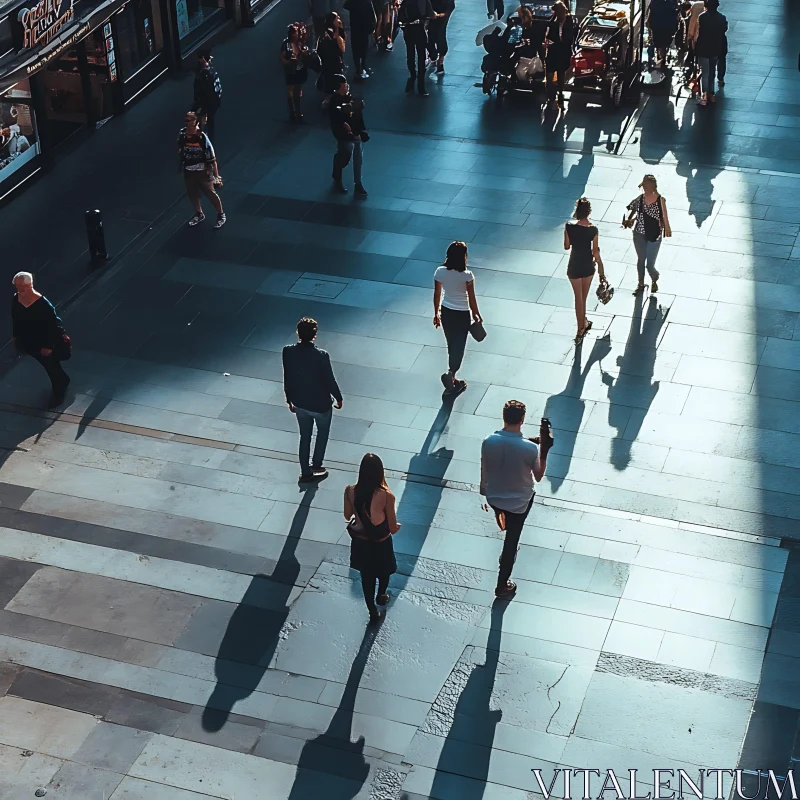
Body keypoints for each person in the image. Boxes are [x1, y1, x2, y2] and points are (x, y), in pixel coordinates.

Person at [480, 401, 552, 598]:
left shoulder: (488, 441)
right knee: (512, 540)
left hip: (494, 495)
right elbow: (538, 475)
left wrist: (483, 487)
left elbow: (486, 463)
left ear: (504, 417)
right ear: (522, 419)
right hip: (519, 502)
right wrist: (543, 451)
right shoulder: (530, 449)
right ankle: (502, 584)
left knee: (504, 516)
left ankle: (502, 518)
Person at [282, 317, 343, 482]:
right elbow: (329, 380)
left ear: (298, 333)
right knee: (322, 433)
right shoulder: (321, 355)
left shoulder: (288, 351)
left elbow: (287, 376)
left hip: (300, 402)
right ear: (314, 335)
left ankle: (305, 472)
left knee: (305, 436)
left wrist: (289, 399)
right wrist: (338, 397)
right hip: (320, 404)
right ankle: (316, 464)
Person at [344, 453, 401, 622]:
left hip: (361, 542)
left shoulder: (350, 491)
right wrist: (396, 527)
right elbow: (392, 527)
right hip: (380, 542)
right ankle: (381, 595)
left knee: (366, 576)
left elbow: (347, 515)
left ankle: (371, 610)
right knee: (384, 571)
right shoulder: (386, 495)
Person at [11, 272, 70, 408]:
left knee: (50, 365)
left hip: (44, 342)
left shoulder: (43, 305)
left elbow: (53, 327)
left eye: (22, 287)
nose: (19, 290)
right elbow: (15, 318)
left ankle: (59, 388)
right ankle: (62, 380)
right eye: (17, 286)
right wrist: (16, 335)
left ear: (30, 285)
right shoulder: (17, 298)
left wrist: (48, 346)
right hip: (29, 341)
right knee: (47, 364)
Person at [433, 241, 482, 396]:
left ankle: (452, 378)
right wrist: (476, 313)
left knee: (451, 343)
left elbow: (437, 294)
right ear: (464, 257)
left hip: (446, 312)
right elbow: (471, 297)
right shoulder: (467, 275)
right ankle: (451, 374)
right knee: (459, 346)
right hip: (462, 314)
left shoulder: (440, 272)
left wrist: (436, 313)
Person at [564, 197, 605, 343]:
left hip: (574, 265)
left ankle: (581, 327)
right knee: (584, 297)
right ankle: (583, 325)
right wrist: (601, 268)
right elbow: (595, 252)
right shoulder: (593, 230)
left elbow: (567, 246)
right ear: (588, 212)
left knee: (578, 298)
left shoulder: (569, 227)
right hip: (587, 265)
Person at [623, 174, 672, 295]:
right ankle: (640, 284)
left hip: (654, 235)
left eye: (647, 187)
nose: (645, 189)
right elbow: (632, 209)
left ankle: (654, 277)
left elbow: (665, 215)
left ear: (653, 187)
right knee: (641, 260)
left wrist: (667, 228)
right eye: (644, 186)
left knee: (650, 265)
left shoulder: (660, 200)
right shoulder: (640, 199)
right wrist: (629, 220)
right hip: (639, 233)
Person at [178, 111, 225, 229]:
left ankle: (221, 215)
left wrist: (216, 176)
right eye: (186, 120)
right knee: (192, 192)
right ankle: (199, 213)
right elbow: (180, 148)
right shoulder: (182, 134)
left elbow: (212, 157)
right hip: (188, 170)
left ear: (195, 122)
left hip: (203, 171)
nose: (186, 122)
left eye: (189, 120)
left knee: (210, 193)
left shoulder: (202, 137)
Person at [329, 75, 369, 196]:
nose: (346, 86)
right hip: (343, 134)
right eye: (343, 84)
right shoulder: (334, 101)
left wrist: (360, 131)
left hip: (355, 133)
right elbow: (336, 120)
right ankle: (337, 175)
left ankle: (358, 183)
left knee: (358, 157)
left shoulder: (352, 99)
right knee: (345, 154)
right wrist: (346, 127)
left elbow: (358, 116)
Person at [693, 0, 727, 106]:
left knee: (705, 73)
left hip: (703, 48)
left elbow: (699, 33)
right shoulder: (722, 18)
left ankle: (704, 97)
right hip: (716, 48)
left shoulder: (702, 17)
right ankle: (711, 95)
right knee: (712, 72)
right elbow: (724, 30)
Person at [399, 0, 436, 95]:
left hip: (408, 30)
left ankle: (412, 76)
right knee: (421, 56)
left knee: (410, 54)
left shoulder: (406, 2)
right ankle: (421, 86)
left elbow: (400, 17)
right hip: (419, 30)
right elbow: (431, 14)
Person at [544, 2, 576, 106]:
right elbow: (549, 36)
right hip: (553, 51)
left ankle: (560, 92)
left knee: (561, 73)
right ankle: (551, 95)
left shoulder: (570, 21)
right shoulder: (553, 22)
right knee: (549, 73)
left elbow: (570, 38)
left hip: (563, 51)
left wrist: (558, 42)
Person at [317, 11, 347, 108]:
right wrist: (338, 29)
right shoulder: (328, 33)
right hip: (331, 60)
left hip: (336, 59)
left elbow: (344, 40)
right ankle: (330, 99)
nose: (339, 19)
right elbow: (342, 48)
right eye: (336, 18)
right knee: (333, 77)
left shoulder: (338, 30)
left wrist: (340, 28)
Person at [191, 48, 222, 142]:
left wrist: (198, 105)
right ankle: (208, 139)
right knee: (210, 121)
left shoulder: (204, 74)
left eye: (200, 58)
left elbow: (202, 91)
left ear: (203, 58)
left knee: (201, 119)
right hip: (215, 101)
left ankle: (202, 139)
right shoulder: (212, 70)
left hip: (208, 102)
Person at [280, 23, 309, 121]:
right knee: (290, 89)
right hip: (290, 69)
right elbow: (282, 57)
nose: (295, 35)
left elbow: (305, 53)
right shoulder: (286, 44)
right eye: (294, 33)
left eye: (296, 33)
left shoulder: (300, 43)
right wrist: (288, 63)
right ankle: (293, 112)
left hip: (300, 68)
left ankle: (298, 110)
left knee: (298, 89)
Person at [346, 0, 377, 79]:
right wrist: (373, 27)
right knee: (364, 47)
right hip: (364, 28)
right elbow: (373, 15)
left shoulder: (352, 2)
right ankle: (363, 65)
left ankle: (358, 68)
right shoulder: (367, 1)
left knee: (355, 48)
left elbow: (345, 6)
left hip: (355, 27)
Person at [648, 0, 680, 67]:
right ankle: (663, 56)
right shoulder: (671, 2)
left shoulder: (655, 2)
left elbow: (651, 11)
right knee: (664, 43)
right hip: (667, 24)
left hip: (658, 24)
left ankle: (661, 56)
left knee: (660, 42)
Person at [426, 0, 454, 73]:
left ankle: (440, 59)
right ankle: (433, 55)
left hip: (442, 15)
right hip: (432, 14)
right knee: (431, 35)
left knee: (440, 35)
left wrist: (444, 14)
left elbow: (450, 6)